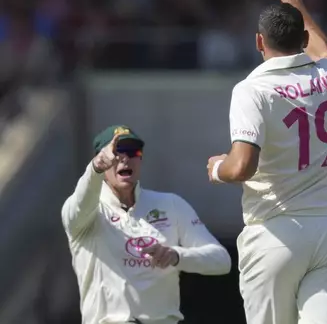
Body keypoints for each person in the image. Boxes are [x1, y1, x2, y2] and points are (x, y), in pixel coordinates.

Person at [206, 0, 327, 324]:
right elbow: (325, 50)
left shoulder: (252, 89)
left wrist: (217, 168)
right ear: (302, 36)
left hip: (276, 234)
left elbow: (242, 165)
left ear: (260, 43)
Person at [62, 125, 231, 324]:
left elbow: (221, 261)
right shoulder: (86, 213)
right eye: (116, 153)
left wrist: (176, 255)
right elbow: (80, 203)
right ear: (101, 160)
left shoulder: (171, 204)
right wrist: (95, 168)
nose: (125, 159)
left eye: (133, 152)